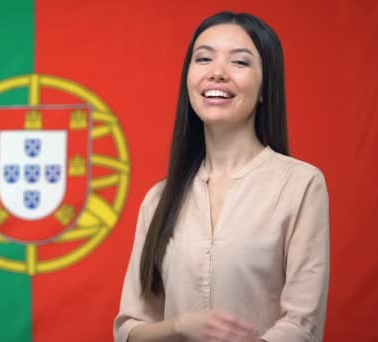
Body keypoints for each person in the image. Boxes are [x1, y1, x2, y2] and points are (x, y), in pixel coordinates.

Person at [113, 11, 330, 342]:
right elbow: (128, 328)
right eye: (203, 59)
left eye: (240, 62)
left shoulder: (301, 185)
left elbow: (303, 325)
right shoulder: (159, 199)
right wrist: (179, 326)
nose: (217, 73)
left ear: (264, 88)